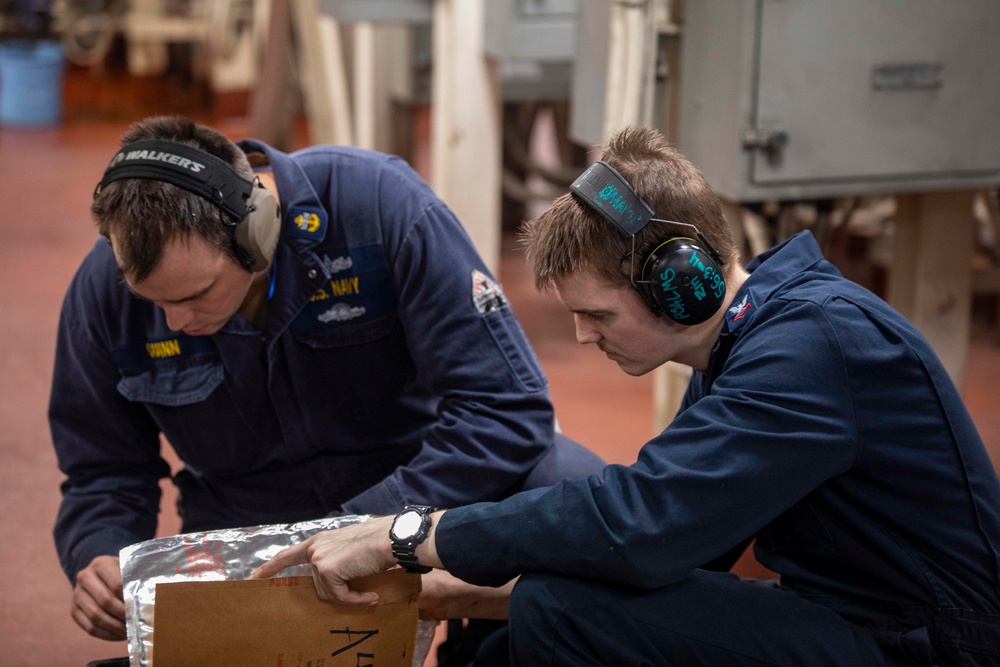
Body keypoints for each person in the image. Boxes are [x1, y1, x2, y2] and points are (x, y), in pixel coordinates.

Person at [253, 126, 1000, 666]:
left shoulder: (813, 345)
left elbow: (640, 521)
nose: (583, 337)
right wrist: (469, 591)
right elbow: (687, 549)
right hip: (858, 617)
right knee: (530, 605)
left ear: (682, 283)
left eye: (599, 315)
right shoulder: (745, 346)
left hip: (931, 644)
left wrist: (407, 534)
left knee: (560, 610)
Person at [50, 115, 604, 642]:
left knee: (571, 491)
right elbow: (103, 467)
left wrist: (376, 528)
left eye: (196, 294)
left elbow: (503, 406)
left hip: (422, 491)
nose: (175, 322)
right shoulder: (101, 292)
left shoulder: (379, 206)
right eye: (154, 302)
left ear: (257, 232)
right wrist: (99, 549)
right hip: (252, 535)